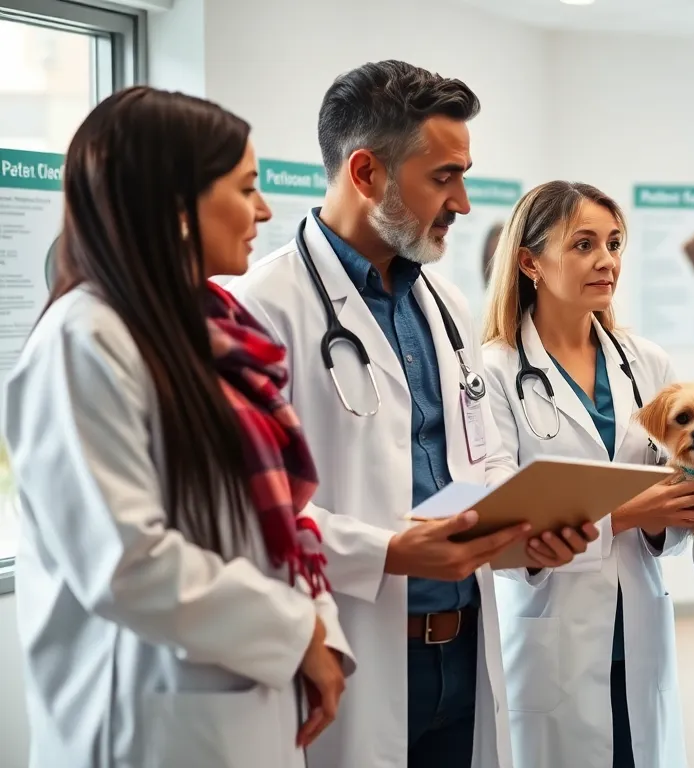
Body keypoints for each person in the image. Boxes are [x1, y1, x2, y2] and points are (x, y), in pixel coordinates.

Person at [224, 61, 595, 768]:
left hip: (467, 649)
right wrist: (386, 552)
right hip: (358, 647)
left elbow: (481, 459)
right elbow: (250, 511)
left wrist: (526, 530)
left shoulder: (447, 306)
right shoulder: (261, 310)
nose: (462, 201)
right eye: (443, 177)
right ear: (366, 173)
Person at [2, 86, 354, 767]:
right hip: (147, 722)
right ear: (175, 205)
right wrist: (296, 630)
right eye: (246, 187)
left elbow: (278, 521)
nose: (265, 209)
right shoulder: (85, 341)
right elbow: (129, 564)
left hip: (243, 699)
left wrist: (318, 632)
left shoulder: (210, 331)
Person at [479, 181, 694, 768]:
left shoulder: (646, 362)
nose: (606, 260)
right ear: (530, 261)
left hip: (636, 623)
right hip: (549, 630)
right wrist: (639, 512)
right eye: (583, 244)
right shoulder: (493, 370)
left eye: (614, 243)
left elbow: (675, 494)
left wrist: (681, 509)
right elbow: (501, 528)